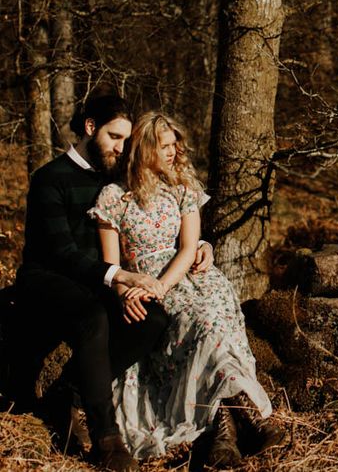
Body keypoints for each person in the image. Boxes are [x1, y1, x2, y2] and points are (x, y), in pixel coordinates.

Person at [15, 94, 214, 472]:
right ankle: (107, 440)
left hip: (98, 280)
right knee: (93, 317)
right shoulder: (49, 179)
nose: (122, 148)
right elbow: (62, 253)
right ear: (90, 128)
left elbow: (150, 225)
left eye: (127, 140)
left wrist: (201, 244)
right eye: (114, 137)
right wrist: (118, 277)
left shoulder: (115, 177)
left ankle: (66, 391)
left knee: (152, 319)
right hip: (47, 279)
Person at [89, 112, 282, 467]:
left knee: (213, 323)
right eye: (164, 146)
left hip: (188, 279)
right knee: (201, 330)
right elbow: (111, 266)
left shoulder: (182, 187)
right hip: (143, 284)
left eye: (175, 145)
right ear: (144, 147)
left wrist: (164, 284)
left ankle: (234, 428)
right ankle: (234, 429)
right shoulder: (113, 197)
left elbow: (189, 246)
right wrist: (124, 294)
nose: (173, 153)